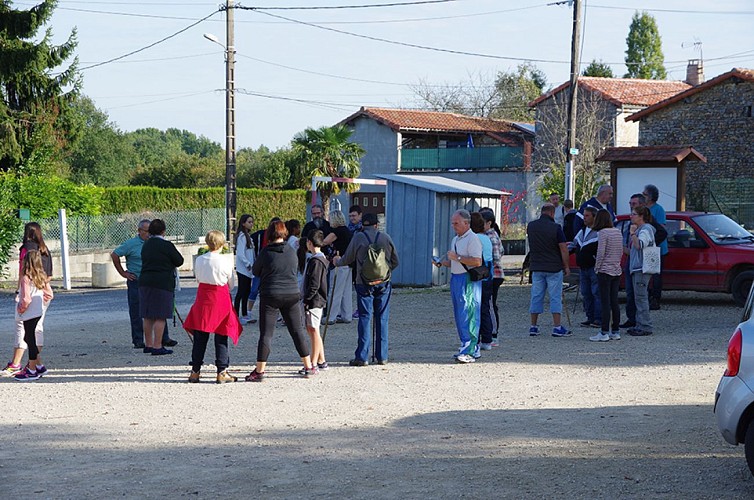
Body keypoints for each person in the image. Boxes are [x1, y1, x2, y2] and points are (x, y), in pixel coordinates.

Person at [245, 219, 316, 382]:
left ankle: (260, 371)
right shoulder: (291, 250)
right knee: (297, 330)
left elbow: (256, 271)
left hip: (271, 294)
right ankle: (308, 366)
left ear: (269, 233)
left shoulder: (265, 252)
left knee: (266, 333)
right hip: (291, 293)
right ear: (284, 233)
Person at [334, 212, 399, 366]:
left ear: (363, 225)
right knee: (382, 318)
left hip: (363, 283)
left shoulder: (358, 237)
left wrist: (337, 261)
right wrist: (386, 272)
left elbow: (347, 259)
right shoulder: (386, 238)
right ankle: (382, 356)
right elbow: (396, 261)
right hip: (383, 282)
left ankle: (362, 357)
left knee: (364, 317)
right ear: (377, 225)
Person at [183, 231, 242, 384]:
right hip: (220, 297)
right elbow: (231, 284)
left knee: (200, 336)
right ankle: (222, 371)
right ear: (222, 244)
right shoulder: (226, 261)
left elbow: (197, 278)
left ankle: (195, 371)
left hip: (203, 297)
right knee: (221, 335)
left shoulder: (200, 259)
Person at [111, 219, 176, 349]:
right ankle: (139, 339)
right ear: (139, 231)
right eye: (147, 231)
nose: (149, 234)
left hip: (154, 280)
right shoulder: (131, 244)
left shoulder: (156, 243)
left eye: (151, 231)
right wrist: (123, 273)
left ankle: (163, 338)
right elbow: (115, 254)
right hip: (137, 279)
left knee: (160, 309)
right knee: (137, 310)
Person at [2, 223, 54, 377]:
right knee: (36, 329)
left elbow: (22, 278)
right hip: (42, 293)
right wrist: (43, 287)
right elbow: (49, 276)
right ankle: (37, 364)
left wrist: (20, 298)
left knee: (24, 330)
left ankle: (21, 364)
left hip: (29, 298)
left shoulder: (26, 249)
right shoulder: (44, 249)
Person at [433, 209, 483, 363]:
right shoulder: (456, 239)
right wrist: (441, 263)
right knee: (460, 313)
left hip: (467, 280)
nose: (453, 226)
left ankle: (471, 349)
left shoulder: (472, 239)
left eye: (456, 223)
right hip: (456, 278)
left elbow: (477, 261)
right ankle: (465, 344)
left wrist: (457, 257)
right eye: (452, 223)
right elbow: (456, 262)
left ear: (466, 223)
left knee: (469, 312)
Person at [139, 219, 184, 355]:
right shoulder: (166, 245)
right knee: (160, 315)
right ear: (163, 231)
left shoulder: (146, 245)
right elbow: (179, 260)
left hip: (145, 281)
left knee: (147, 315)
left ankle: (148, 344)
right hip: (162, 282)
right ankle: (158, 346)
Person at [527, 203, 571, 337]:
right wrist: (566, 266)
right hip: (553, 267)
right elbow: (563, 248)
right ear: (552, 213)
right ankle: (557, 327)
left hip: (537, 266)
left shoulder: (531, 226)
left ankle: (533, 326)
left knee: (536, 296)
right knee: (555, 297)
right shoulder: (556, 228)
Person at [13, 250, 54, 381]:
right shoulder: (41, 276)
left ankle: (31, 369)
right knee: (29, 337)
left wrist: (21, 308)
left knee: (29, 339)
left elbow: (25, 299)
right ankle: (39, 365)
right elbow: (49, 294)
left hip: (28, 312)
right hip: (37, 311)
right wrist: (41, 302)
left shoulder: (26, 278)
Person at [591, 210, 623, 342]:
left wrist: (597, 267)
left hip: (605, 270)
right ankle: (615, 330)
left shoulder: (602, 233)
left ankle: (604, 331)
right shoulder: (617, 232)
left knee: (605, 302)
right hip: (616, 269)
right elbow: (621, 250)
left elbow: (601, 252)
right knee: (614, 301)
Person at [569, 206, 601, 328]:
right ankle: (590, 317)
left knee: (596, 293)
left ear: (594, 217)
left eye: (587, 216)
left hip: (594, 267)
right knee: (586, 293)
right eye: (584, 215)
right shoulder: (582, 230)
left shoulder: (599, 232)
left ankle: (598, 318)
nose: (584, 218)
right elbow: (573, 245)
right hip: (582, 267)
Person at [627, 206, 656, 336]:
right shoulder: (642, 229)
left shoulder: (645, 230)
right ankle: (640, 324)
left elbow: (640, 245)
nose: (631, 216)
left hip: (642, 268)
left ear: (641, 216)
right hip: (638, 267)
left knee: (641, 297)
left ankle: (645, 326)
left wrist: (633, 233)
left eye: (633, 214)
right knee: (638, 297)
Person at [302, 230, 329, 370]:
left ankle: (312, 363)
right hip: (316, 299)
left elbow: (314, 284)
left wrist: (306, 298)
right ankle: (321, 360)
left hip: (315, 300)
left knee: (314, 330)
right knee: (313, 329)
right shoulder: (320, 259)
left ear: (310, 243)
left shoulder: (316, 261)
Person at [322, 210, 353, 324]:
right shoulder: (347, 231)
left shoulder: (337, 231)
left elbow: (324, 242)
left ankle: (331, 316)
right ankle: (347, 316)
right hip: (348, 263)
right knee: (346, 291)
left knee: (334, 290)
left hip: (339, 263)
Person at [471, 212, 495, 351]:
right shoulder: (486, 238)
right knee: (485, 307)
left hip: (477, 276)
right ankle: (487, 338)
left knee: (474, 308)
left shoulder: (473, 238)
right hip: (488, 275)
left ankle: (476, 338)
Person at [481, 210, 504, 345]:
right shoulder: (488, 235)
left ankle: (493, 333)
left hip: (494, 275)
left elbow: (496, 257)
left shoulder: (491, 236)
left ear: (489, 223)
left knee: (490, 304)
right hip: (491, 274)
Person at [644, 184, 668, 310]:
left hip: (657, 246)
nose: (643, 196)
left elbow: (662, 229)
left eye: (645, 194)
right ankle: (647, 297)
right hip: (646, 246)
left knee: (656, 275)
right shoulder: (643, 209)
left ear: (651, 197)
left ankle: (655, 299)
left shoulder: (658, 210)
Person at [234, 214, 255, 324]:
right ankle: (236, 315)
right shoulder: (242, 237)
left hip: (248, 270)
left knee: (246, 292)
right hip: (243, 270)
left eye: (252, 222)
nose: (251, 224)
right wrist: (248, 264)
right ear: (243, 223)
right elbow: (240, 254)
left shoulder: (247, 236)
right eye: (249, 222)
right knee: (241, 292)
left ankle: (245, 314)